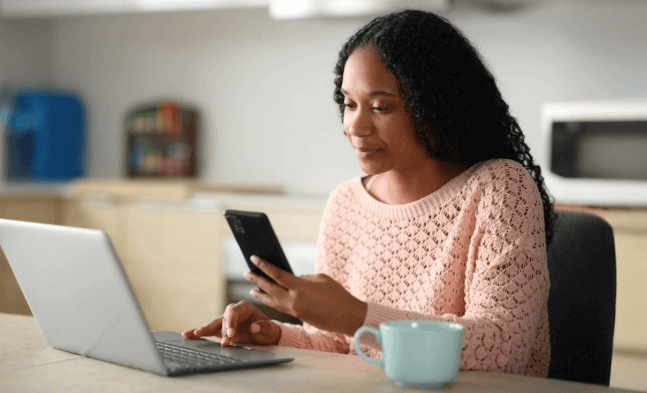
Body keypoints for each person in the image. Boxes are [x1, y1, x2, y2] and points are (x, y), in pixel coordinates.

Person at [183, 10, 555, 377]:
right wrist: (274, 334)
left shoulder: (500, 189)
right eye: (348, 104)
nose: (355, 126)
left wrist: (357, 314)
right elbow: (338, 344)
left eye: (380, 107)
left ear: (435, 108)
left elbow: (504, 347)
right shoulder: (345, 203)